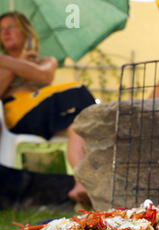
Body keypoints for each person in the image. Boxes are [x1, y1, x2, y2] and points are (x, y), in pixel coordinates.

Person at [0, 11, 96, 205]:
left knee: (78, 126)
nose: (6, 32)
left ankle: (82, 184)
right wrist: (18, 63)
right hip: (16, 118)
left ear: (26, 32)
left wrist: (24, 64)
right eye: (1, 29)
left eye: (12, 26)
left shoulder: (45, 61)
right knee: (78, 90)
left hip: (44, 120)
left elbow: (45, 77)